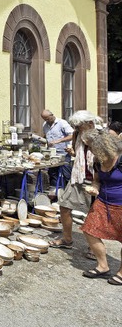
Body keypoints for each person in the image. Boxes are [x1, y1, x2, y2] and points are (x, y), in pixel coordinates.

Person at [49, 110, 100, 258]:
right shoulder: (77, 134)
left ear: (90, 123)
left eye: (79, 126)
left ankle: (94, 247)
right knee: (64, 205)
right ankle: (67, 239)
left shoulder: (100, 136)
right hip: (77, 175)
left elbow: (107, 157)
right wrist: (72, 152)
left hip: (95, 178)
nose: (76, 129)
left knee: (93, 212)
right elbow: (78, 153)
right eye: (75, 126)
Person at [80, 128, 122, 285]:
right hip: (103, 202)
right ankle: (103, 266)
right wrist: (95, 187)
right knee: (89, 229)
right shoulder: (98, 161)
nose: (90, 151)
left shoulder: (121, 159)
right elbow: (97, 179)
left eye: (92, 148)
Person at [41, 109, 74, 188]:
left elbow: (72, 135)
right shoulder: (45, 125)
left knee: (66, 174)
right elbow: (46, 136)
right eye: (45, 119)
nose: (47, 120)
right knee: (53, 174)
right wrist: (42, 140)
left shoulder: (62, 123)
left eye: (48, 118)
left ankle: (69, 192)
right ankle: (55, 192)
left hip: (63, 153)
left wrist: (58, 141)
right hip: (51, 154)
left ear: (52, 115)